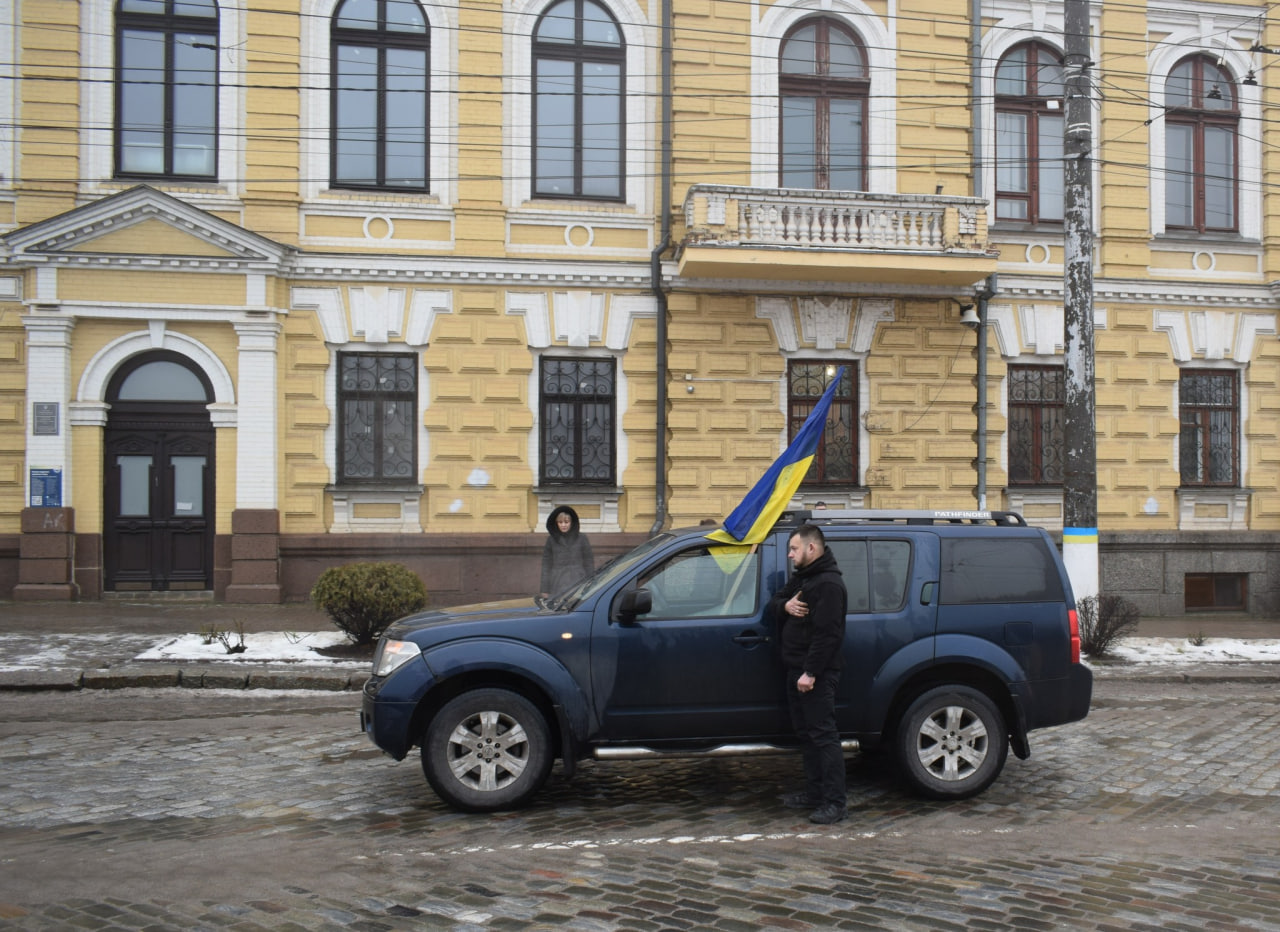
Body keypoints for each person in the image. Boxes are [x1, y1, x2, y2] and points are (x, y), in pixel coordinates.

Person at [767, 523, 849, 824]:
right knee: (807, 736)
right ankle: (814, 794)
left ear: (811, 549)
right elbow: (774, 602)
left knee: (824, 736)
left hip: (815, 674)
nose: (789, 555)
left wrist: (811, 673)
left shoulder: (827, 584)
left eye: (794, 549)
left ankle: (835, 803)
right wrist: (785, 606)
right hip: (797, 669)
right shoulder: (804, 578)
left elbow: (828, 636)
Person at [540, 505, 594, 599]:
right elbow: (546, 565)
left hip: (578, 582)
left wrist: (590, 584)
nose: (563, 525)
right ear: (556, 523)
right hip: (557, 583)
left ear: (571, 522)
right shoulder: (551, 540)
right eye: (560, 522)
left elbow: (588, 563)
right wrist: (545, 589)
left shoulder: (582, 538)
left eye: (566, 522)